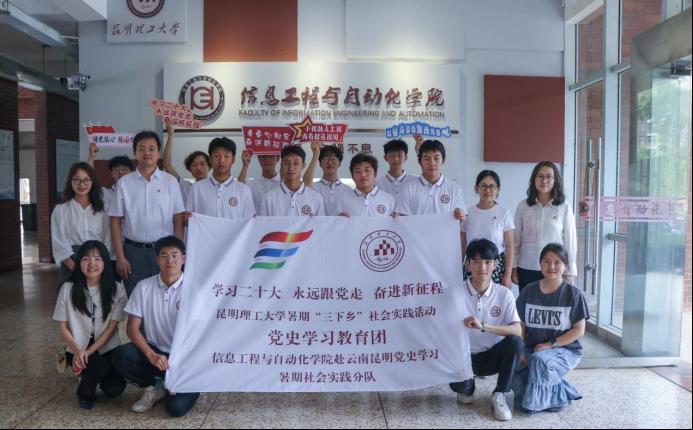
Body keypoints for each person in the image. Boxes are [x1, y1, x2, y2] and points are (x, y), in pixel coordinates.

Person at [111, 236, 200, 417]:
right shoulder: (143, 287)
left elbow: (201, 332)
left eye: (175, 255)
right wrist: (150, 354)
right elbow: (132, 328)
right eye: (164, 255)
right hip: (155, 351)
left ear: (184, 259)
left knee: (176, 408)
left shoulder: (195, 289)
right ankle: (154, 386)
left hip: (184, 357)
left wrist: (180, 366)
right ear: (157, 259)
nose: (170, 260)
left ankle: (182, 382)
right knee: (122, 355)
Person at [450, 239, 523, 421]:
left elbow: (518, 330)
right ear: (467, 264)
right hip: (462, 356)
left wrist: (484, 326)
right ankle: (467, 385)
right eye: (476, 261)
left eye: (488, 262)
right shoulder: (454, 293)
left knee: (515, 342)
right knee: (463, 395)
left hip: (491, 356)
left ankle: (500, 393)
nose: (482, 267)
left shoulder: (504, 294)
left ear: (495, 264)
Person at [513, 243, 588, 413]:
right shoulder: (528, 291)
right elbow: (520, 324)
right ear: (540, 264)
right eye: (546, 261)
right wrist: (521, 350)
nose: (551, 266)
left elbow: (579, 330)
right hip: (532, 349)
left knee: (539, 361)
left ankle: (538, 403)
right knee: (514, 369)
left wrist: (551, 344)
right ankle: (562, 391)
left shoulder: (573, 294)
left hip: (565, 350)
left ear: (565, 265)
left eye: (557, 262)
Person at [109, 131, 186, 296]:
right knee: (136, 299)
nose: (147, 152)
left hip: (164, 251)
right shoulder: (124, 183)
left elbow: (178, 218)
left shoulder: (170, 181)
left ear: (158, 153)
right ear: (134, 153)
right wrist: (120, 257)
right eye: (141, 148)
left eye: (152, 148)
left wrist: (177, 252)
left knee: (166, 297)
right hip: (133, 252)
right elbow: (115, 221)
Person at [53, 240, 127, 409]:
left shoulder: (117, 289)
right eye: (86, 259)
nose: (92, 264)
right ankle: (85, 393)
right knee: (99, 366)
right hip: (76, 347)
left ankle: (89, 373)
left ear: (105, 262)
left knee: (114, 389)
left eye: (97, 259)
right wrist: (79, 351)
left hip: (107, 347)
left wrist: (90, 351)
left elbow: (111, 329)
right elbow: (62, 328)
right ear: (79, 263)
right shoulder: (67, 288)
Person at [512, 161, 577, 292]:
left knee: (553, 304)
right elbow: (515, 240)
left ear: (555, 180)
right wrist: (513, 266)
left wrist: (570, 270)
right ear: (534, 179)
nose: (544, 180)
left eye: (548, 177)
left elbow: (570, 241)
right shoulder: (523, 206)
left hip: (554, 269)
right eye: (540, 176)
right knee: (527, 303)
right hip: (527, 267)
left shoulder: (564, 206)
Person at [51, 162, 112, 284]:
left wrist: (99, 264)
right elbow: (59, 242)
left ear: (92, 182)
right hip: (72, 261)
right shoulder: (61, 209)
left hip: (99, 261)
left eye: (86, 180)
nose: (81, 184)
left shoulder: (104, 208)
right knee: (72, 294)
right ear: (70, 182)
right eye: (77, 180)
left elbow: (109, 238)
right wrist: (75, 268)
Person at [461, 170, 515, 288]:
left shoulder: (503, 213)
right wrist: (457, 270)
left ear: (498, 189)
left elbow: (510, 247)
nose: (487, 190)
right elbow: (463, 245)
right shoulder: (467, 213)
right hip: (472, 265)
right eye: (483, 186)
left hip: (495, 266)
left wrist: (508, 275)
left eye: (492, 186)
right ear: (476, 188)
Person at [394, 139, 466, 222]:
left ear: (443, 160)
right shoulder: (408, 188)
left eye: (436, 158)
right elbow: (403, 221)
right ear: (419, 161)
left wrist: (461, 217)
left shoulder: (454, 189)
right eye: (427, 159)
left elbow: (461, 221)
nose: (432, 163)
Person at [186, 137, 255, 218]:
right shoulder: (196, 188)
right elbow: (189, 220)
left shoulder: (244, 190)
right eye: (216, 156)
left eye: (226, 156)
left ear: (233, 159)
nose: (221, 160)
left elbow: (250, 221)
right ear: (210, 159)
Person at [259, 145, 324, 217]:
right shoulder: (269, 198)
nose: (291, 168)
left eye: (296, 163)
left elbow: (321, 224)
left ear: (303, 165)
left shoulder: (316, 198)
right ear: (281, 165)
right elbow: (263, 223)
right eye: (286, 163)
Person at [162, 122, 211, 204]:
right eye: (194, 165)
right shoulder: (185, 187)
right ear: (189, 169)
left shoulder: (218, 188)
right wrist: (171, 135)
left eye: (202, 164)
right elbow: (166, 165)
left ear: (209, 166)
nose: (198, 168)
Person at [336, 152, 395, 217]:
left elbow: (394, 222)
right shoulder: (344, 200)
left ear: (375, 174)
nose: (363, 175)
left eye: (367, 170)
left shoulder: (388, 199)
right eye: (358, 171)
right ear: (352, 176)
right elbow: (338, 222)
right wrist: (339, 220)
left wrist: (398, 219)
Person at [302, 143, 352, 216]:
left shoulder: (348, 190)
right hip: (317, 223)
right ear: (320, 164)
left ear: (339, 163)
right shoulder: (314, 187)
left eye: (333, 159)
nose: (329, 162)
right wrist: (315, 155)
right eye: (326, 159)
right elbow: (305, 184)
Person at [86, 143, 134, 209]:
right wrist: (91, 157)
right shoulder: (105, 193)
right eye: (116, 169)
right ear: (112, 174)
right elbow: (88, 180)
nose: (120, 172)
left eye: (124, 169)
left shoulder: (137, 193)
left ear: (131, 173)